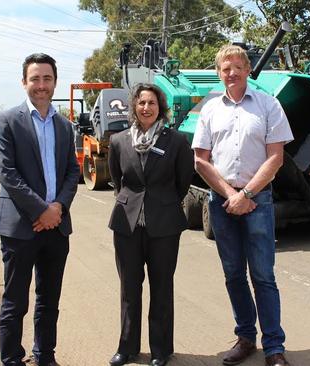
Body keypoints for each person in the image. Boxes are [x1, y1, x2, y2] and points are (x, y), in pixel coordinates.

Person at [191, 44, 294, 366]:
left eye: (237, 67)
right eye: (225, 68)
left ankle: (274, 346)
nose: (231, 73)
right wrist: (229, 195)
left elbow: (276, 157)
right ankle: (246, 338)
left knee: (263, 276)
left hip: (257, 200)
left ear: (248, 70)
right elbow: (200, 160)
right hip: (222, 201)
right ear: (219, 73)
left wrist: (246, 194)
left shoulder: (268, 105)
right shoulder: (209, 110)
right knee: (234, 274)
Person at [0, 53, 80, 366]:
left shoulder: (65, 126)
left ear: (55, 82)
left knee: (48, 301)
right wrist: (41, 211)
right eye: (35, 79)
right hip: (20, 227)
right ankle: (12, 359)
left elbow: (72, 171)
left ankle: (45, 356)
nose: (41, 85)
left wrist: (57, 208)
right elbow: (7, 173)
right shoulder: (7, 120)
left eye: (47, 79)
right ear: (24, 82)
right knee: (15, 301)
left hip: (57, 227)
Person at [107, 83, 194, 366]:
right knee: (129, 289)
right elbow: (118, 181)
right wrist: (133, 203)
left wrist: (161, 204)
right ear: (134, 106)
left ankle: (160, 350)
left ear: (161, 108)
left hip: (164, 227)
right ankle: (127, 348)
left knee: (161, 288)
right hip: (127, 226)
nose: (146, 108)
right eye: (142, 102)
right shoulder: (119, 140)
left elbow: (182, 183)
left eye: (152, 103)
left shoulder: (177, 141)